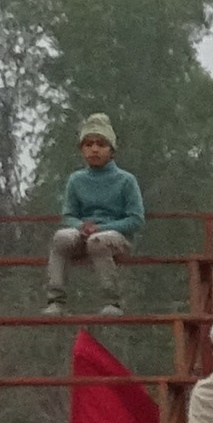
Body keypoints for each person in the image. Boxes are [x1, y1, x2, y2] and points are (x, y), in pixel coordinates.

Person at [46, 124, 145, 308]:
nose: (94, 149)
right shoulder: (76, 179)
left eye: (101, 144)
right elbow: (68, 215)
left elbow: (135, 219)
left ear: (111, 150)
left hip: (116, 237)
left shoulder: (126, 180)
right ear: (82, 150)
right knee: (61, 238)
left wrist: (100, 228)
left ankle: (112, 302)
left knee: (97, 241)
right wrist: (80, 226)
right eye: (88, 144)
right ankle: (55, 301)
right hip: (82, 233)